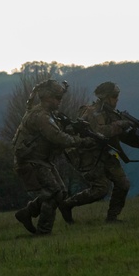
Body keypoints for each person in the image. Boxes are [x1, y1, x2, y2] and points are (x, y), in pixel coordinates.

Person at [12, 79, 94, 235]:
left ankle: (27, 213)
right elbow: (58, 137)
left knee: (61, 192)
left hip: (42, 161)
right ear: (47, 97)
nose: (59, 101)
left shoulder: (49, 114)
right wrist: (81, 141)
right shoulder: (41, 116)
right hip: (31, 162)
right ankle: (43, 232)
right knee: (54, 193)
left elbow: (59, 132)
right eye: (57, 98)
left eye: (60, 98)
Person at [61, 81, 139, 224]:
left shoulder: (113, 115)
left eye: (117, 96)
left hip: (106, 154)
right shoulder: (92, 112)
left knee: (123, 184)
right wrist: (121, 124)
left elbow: (123, 137)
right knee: (101, 189)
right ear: (105, 97)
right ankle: (67, 204)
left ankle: (112, 218)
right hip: (89, 155)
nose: (117, 99)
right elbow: (101, 132)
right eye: (114, 96)